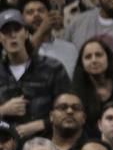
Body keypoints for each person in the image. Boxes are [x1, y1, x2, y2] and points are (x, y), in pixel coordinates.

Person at [0, 7, 71, 140]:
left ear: (26, 33)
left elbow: (70, 110)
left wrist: (42, 124)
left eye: (17, 30)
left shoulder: (52, 68)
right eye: (6, 32)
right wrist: (3, 110)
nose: (12, 35)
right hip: (4, 146)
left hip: (46, 142)